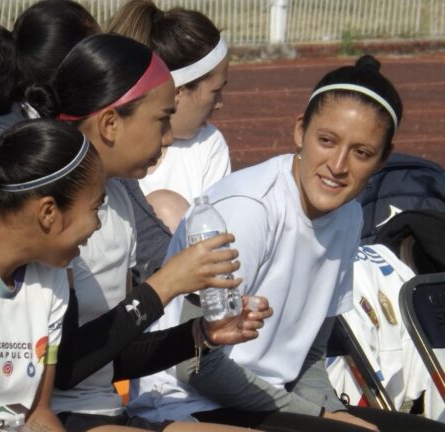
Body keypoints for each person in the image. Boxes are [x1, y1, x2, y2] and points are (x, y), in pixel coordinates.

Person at [129, 56, 445, 432]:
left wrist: (332, 410)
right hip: (186, 403)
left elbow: (311, 352)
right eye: (326, 141)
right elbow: (196, 365)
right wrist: (322, 418)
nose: (338, 165)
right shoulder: (248, 210)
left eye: (361, 153)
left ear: (383, 159)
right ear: (300, 131)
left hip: (269, 402)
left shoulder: (349, 216)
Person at [26, 33, 271, 432]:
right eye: (161, 120)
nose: (169, 137)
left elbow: (110, 359)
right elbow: (67, 368)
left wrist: (201, 333)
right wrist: (164, 285)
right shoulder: (54, 210)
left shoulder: (120, 199)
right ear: (109, 123)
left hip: (107, 412)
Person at [0, 119, 104, 430]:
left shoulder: (52, 279)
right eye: (97, 208)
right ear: (48, 212)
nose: (97, 225)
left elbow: (37, 412)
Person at [108, 0, 231, 279]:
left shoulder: (209, 144)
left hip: (185, 303)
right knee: (165, 205)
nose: (221, 103)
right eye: (215, 92)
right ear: (176, 92)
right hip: (122, 296)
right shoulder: (108, 150)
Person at [0, 0, 99, 153]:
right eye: (98, 58)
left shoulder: (7, 111)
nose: (105, 68)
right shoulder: (17, 147)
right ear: (73, 69)